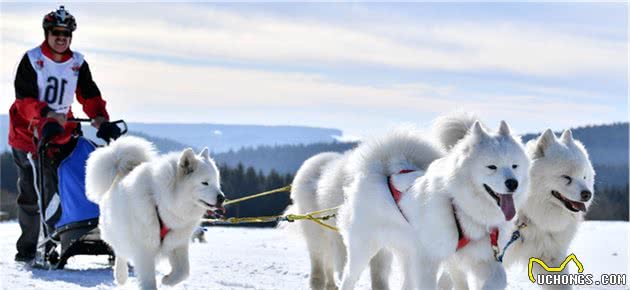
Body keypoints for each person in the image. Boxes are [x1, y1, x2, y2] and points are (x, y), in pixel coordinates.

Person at [8, 5, 121, 262]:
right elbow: (24, 101)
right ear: (47, 33)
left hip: (60, 135)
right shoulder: (32, 59)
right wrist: (45, 117)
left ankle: (73, 234)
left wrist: (101, 120)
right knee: (36, 192)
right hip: (28, 136)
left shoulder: (77, 63)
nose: (62, 38)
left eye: (66, 34)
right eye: (57, 32)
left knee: (63, 186)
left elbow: (89, 95)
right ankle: (32, 249)